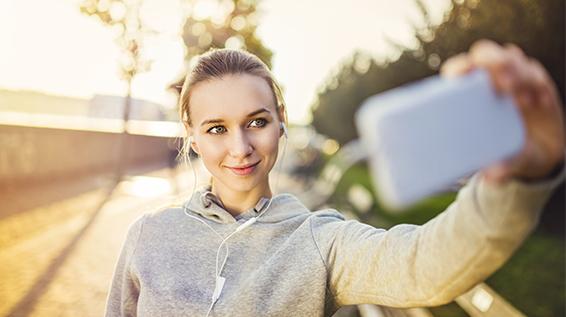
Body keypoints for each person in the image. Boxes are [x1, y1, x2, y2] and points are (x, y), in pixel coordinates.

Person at [104, 40, 565, 317]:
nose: (240, 147)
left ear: (282, 120)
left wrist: (521, 178)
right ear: (192, 134)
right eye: (217, 129)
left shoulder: (320, 242)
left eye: (257, 122)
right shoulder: (148, 236)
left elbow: (425, 265)